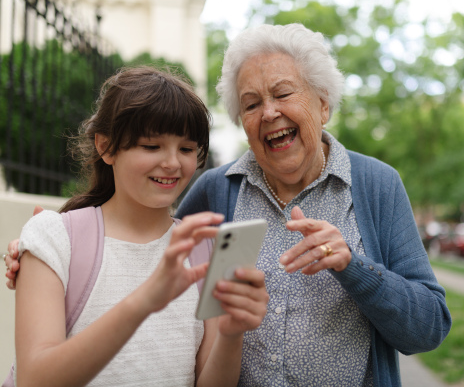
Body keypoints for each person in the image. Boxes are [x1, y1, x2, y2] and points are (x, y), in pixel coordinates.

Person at [6, 23, 451, 386]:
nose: (269, 113)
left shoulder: (375, 186)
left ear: (322, 104)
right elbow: (141, 231)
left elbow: (429, 327)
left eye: (282, 94)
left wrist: (354, 266)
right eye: (251, 104)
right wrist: (43, 247)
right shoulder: (216, 193)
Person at [3, 66, 268, 386]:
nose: (172, 163)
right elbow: (36, 379)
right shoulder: (53, 236)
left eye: (186, 148)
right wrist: (145, 300)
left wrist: (231, 331)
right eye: (151, 146)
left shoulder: (204, 248)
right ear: (106, 146)